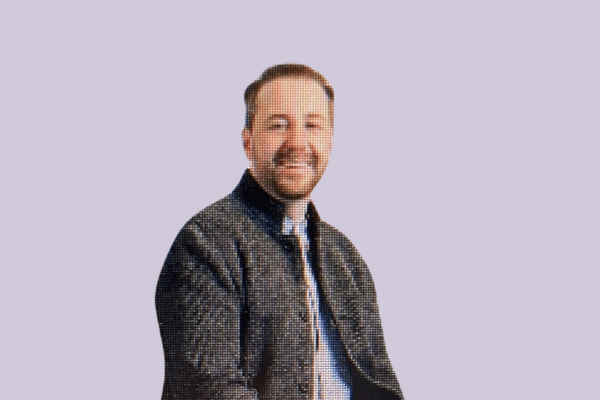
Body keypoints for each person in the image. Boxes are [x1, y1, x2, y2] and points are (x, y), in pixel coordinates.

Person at [156, 64, 405, 400]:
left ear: (330, 139)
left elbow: (380, 384)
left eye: (312, 125)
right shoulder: (205, 243)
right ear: (248, 141)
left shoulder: (345, 256)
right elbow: (209, 389)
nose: (297, 142)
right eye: (278, 125)